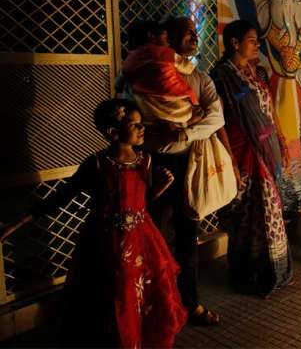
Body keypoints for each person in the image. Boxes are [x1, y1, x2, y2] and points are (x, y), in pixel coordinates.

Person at [0, 99, 186, 348]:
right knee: (112, 297)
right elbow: (62, 196)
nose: (142, 129)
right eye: (135, 125)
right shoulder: (97, 164)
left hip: (141, 239)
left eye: (142, 124)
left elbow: (141, 200)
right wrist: (19, 222)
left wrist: (159, 190)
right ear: (112, 132)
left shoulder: (146, 160)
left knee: (141, 295)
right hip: (105, 241)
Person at [142, 17, 225, 326]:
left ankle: (190, 304)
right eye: (186, 32)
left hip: (188, 164)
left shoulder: (200, 78)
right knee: (154, 240)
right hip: (153, 165)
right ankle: (156, 308)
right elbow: (142, 117)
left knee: (188, 239)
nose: (193, 36)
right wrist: (191, 117)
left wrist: (185, 131)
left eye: (194, 32)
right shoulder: (148, 73)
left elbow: (216, 118)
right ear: (168, 38)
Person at [210, 20, 292, 296]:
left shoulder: (258, 72)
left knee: (271, 213)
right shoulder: (222, 76)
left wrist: (281, 140)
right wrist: (230, 161)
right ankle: (248, 274)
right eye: (252, 40)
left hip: (267, 149)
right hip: (242, 152)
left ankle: (274, 271)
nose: (257, 45)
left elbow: (270, 109)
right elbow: (219, 121)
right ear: (234, 43)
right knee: (247, 216)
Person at [121, 20, 203, 129]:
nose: (195, 37)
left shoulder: (130, 60)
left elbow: (121, 77)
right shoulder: (165, 54)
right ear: (152, 36)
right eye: (189, 32)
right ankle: (181, 125)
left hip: (149, 111)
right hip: (180, 113)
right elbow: (187, 68)